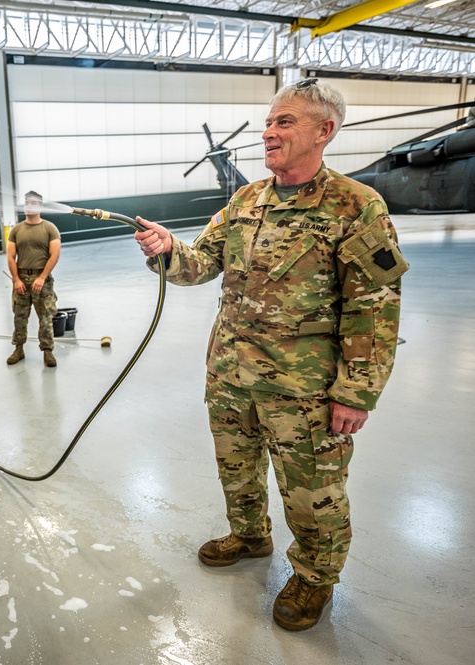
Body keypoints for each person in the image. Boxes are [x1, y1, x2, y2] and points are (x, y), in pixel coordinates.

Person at [133, 79, 408, 631]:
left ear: (323, 131)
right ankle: (251, 535)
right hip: (231, 374)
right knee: (236, 469)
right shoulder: (244, 201)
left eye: (284, 122)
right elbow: (200, 265)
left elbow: (374, 308)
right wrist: (168, 250)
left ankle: (314, 578)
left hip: (303, 388)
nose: (268, 132)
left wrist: (356, 392)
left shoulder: (357, 206)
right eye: (269, 121)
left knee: (313, 491)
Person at [7, 191, 61, 367]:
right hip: (21, 277)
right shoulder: (16, 229)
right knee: (19, 317)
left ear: (40, 206)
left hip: (42, 279)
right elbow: (10, 256)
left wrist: (42, 278)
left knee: (45, 317)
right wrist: (16, 280)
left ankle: (47, 351)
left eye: (32, 203)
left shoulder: (49, 228)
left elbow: (54, 255)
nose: (28, 206)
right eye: (26, 203)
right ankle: (18, 349)